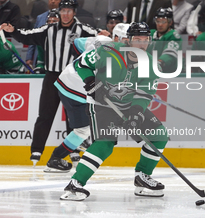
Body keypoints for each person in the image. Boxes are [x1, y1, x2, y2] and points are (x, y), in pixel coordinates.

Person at [60, 22, 168, 201]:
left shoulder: (149, 62)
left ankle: (142, 176)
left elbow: (145, 91)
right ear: (129, 40)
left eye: (146, 40)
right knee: (105, 142)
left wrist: (135, 113)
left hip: (128, 104)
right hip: (102, 104)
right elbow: (81, 64)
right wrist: (91, 82)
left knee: (159, 135)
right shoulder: (108, 51)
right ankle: (75, 184)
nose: (142, 44)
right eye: (138, 39)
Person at [1, 0, 110, 166]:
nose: (65, 14)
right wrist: (13, 30)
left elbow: (99, 38)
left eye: (69, 11)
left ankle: (73, 150)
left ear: (74, 12)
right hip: (52, 76)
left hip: (74, 77)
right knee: (45, 114)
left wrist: (104, 34)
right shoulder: (48, 29)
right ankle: (36, 150)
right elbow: (27, 36)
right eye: (63, 11)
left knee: (72, 116)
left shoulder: (83, 29)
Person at [44, 25, 128, 173]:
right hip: (76, 87)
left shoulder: (101, 39)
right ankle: (56, 158)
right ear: (116, 38)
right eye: (127, 39)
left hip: (70, 82)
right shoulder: (111, 49)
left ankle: (61, 156)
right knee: (84, 129)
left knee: (85, 129)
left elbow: (76, 44)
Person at [26, 0, 63, 68]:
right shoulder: (40, 17)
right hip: (40, 56)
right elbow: (33, 37)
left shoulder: (65, 17)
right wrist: (29, 57)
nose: (53, 1)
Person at [148, 7, 182, 73]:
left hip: (170, 74)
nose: (160, 25)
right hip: (151, 71)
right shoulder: (150, 34)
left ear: (170, 23)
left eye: (163, 22)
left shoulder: (173, 36)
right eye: (158, 21)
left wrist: (159, 64)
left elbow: (170, 54)